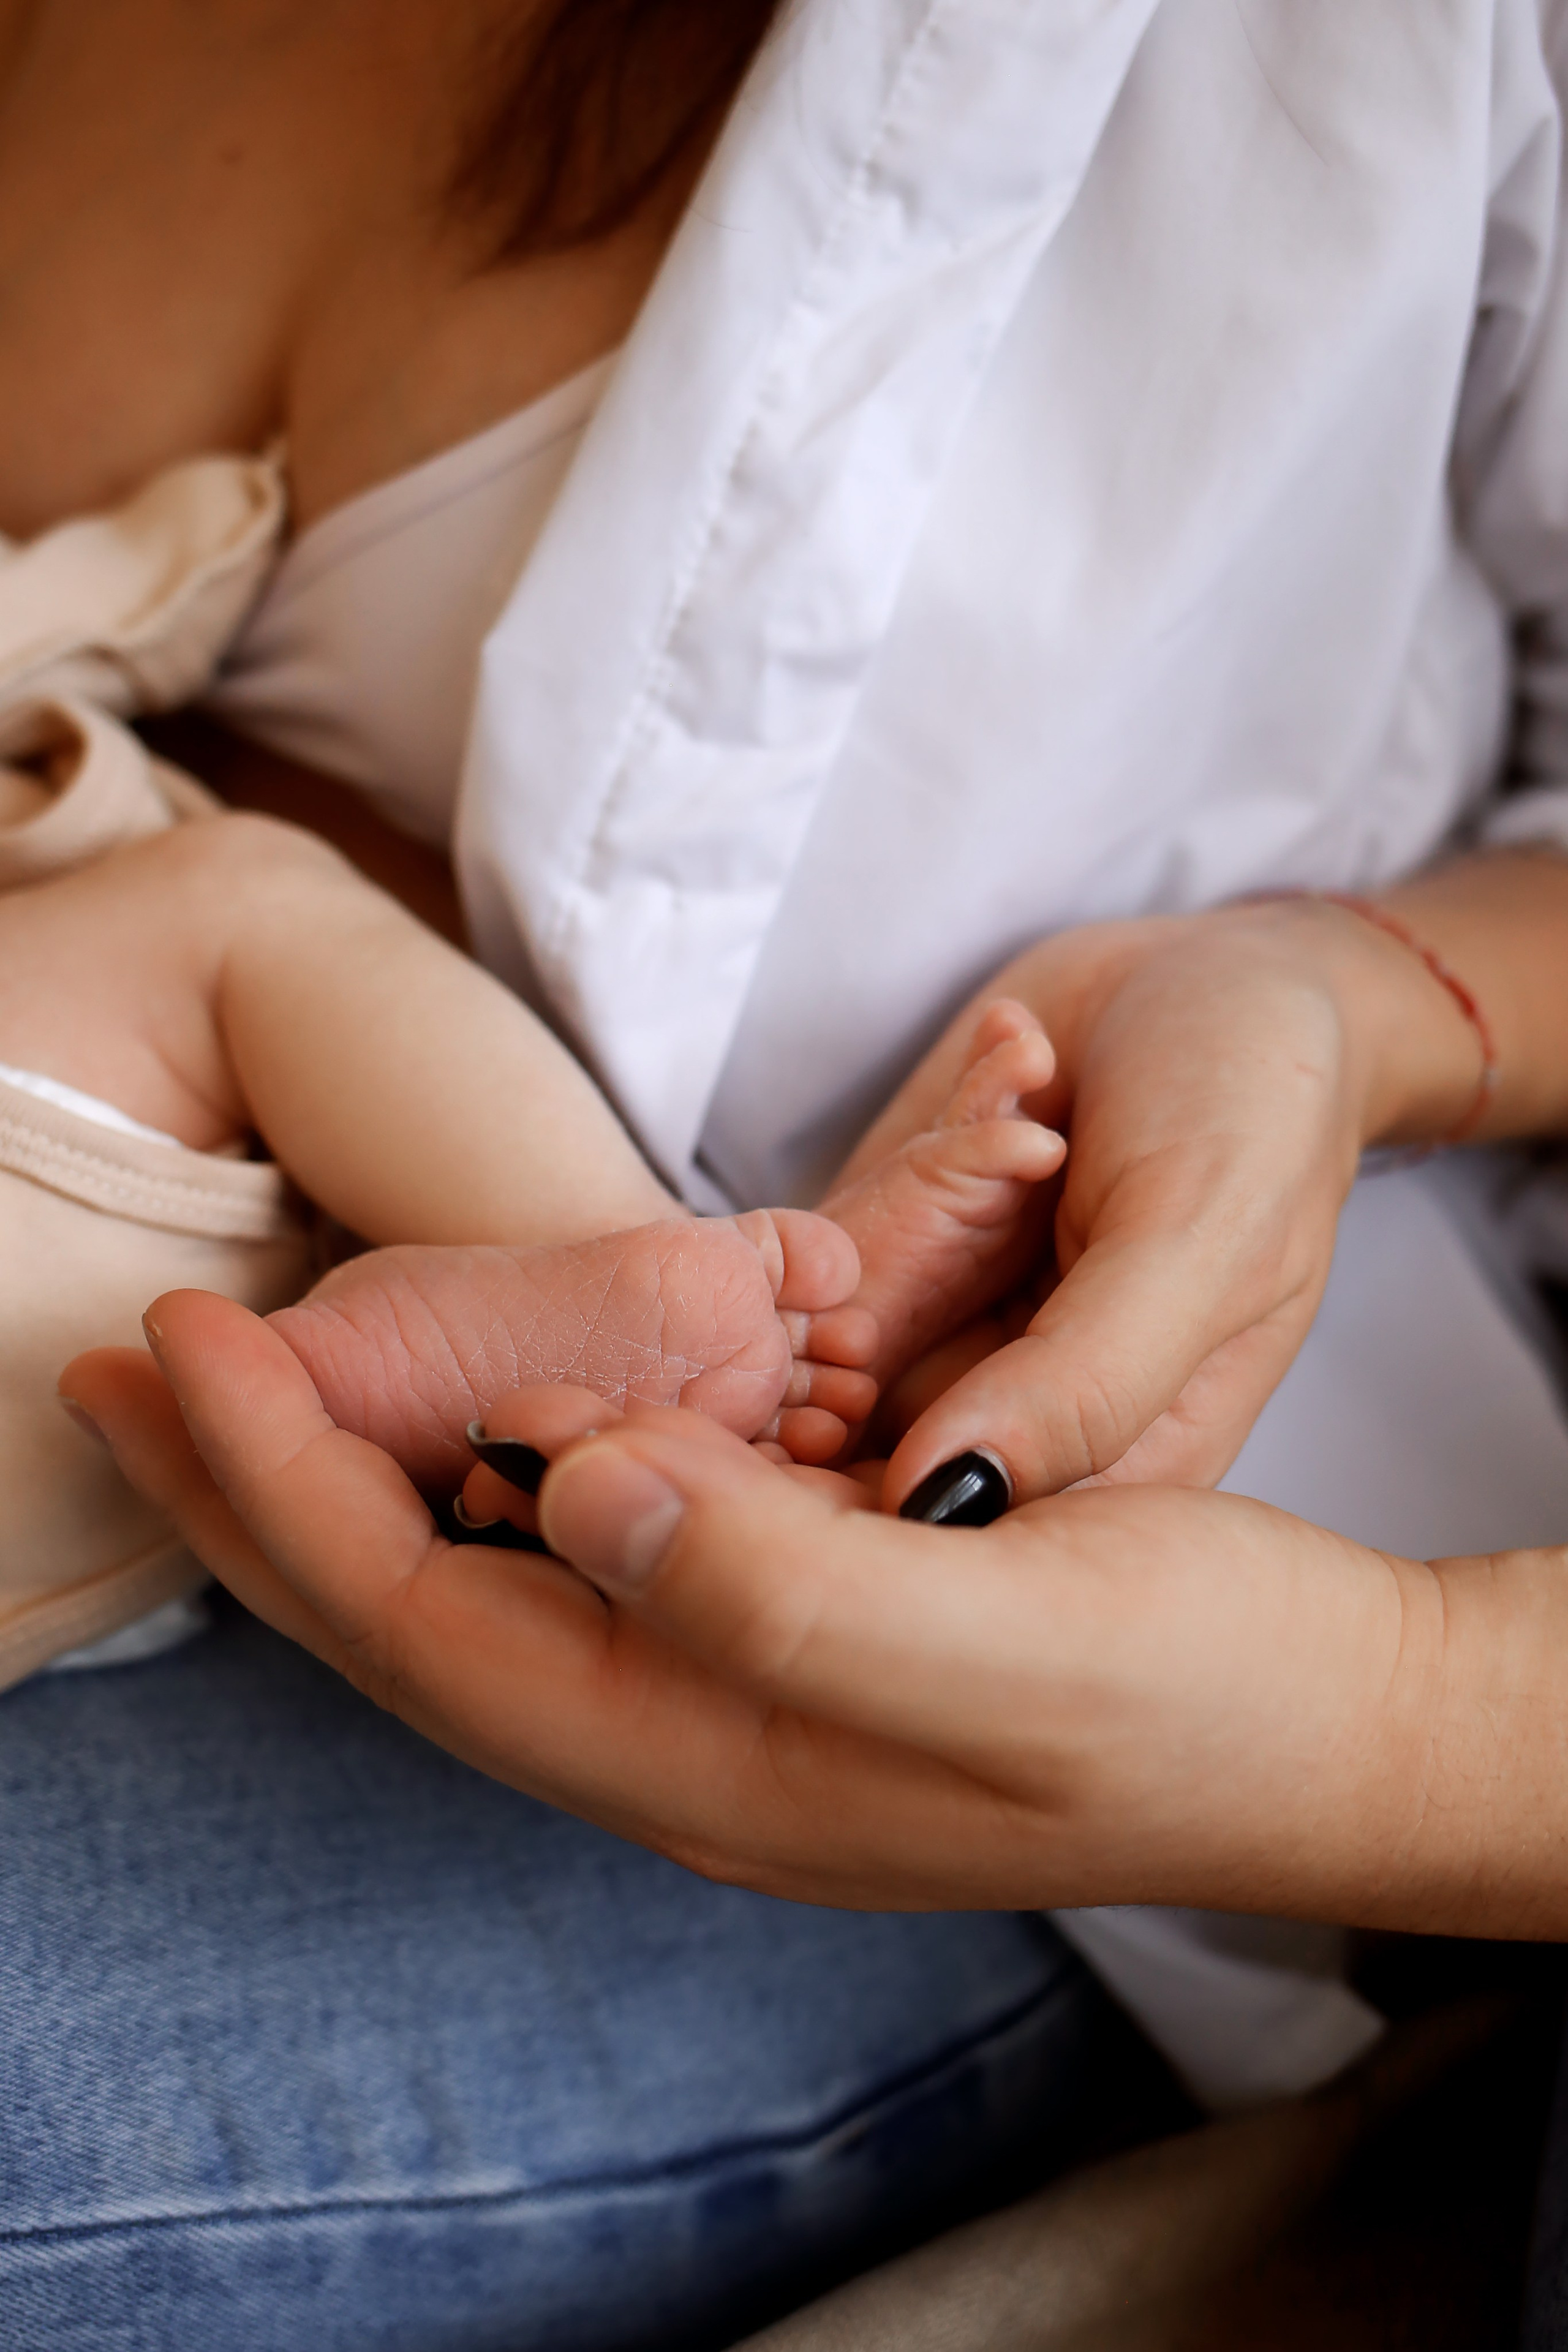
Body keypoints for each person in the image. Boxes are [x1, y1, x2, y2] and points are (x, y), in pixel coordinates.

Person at [14, 0, 1568, 2340]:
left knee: (236, 955)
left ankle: (659, 1307)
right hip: (171, 1242)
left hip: (1012, 1700)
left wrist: (1345, 1004)